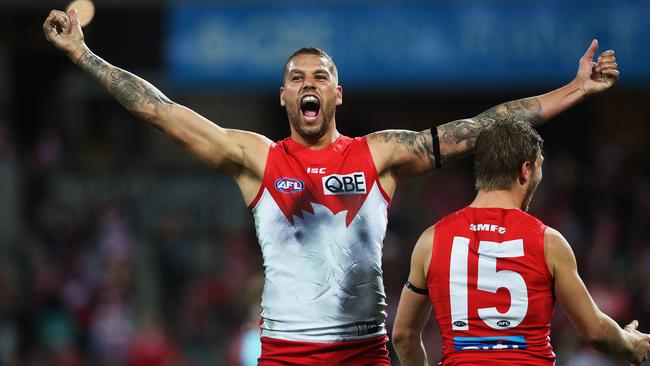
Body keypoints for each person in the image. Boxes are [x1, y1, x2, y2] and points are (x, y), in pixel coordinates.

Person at [44, 8, 620, 365]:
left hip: (365, 354)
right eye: (296, 78)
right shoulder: (257, 159)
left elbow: (479, 130)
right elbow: (160, 112)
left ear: (337, 95)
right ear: (284, 97)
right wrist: (85, 55)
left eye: (321, 75)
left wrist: (571, 91)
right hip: (285, 357)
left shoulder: (380, 154)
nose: (308, 83)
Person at [391, 121, 650, 365]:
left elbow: (403, 335)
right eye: (539, 167)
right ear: (525, 170)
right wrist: (629, 343)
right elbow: (594, 331)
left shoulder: (431, 240)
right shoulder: (549, 242)